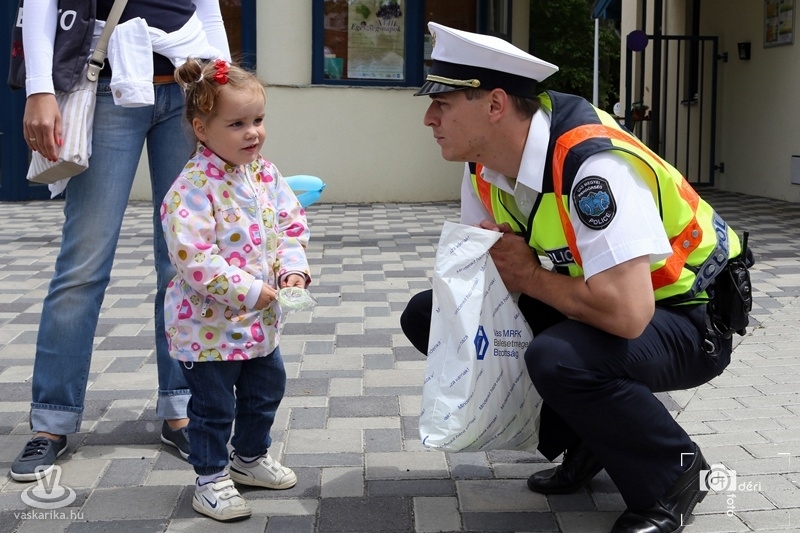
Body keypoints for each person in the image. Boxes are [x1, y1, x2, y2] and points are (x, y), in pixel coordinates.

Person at [401, 22, 751, 533]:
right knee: (431, 316)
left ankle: (674, 475)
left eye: (442, 104)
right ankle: (592, 441)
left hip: (689, 318)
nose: (429, 118)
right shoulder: (483, 165)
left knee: (559, 358)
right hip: (609, 304)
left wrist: (526, 274)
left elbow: (628, 316)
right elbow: (493, 285)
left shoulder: (592, 167)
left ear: (495, 104)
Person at [11, 0, 230, 482]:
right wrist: (39, 88)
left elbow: (207, 9)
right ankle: (52, 421)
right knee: (83, 265)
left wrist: (226, 84)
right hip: (106, 85)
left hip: (189, 87)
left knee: (184, 265)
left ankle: (182, 410)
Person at [161, 57, 310, 522]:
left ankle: (248, 458)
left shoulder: (264, 173)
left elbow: (290, 225)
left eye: (258, 120)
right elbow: (195, 259)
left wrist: (292, 270)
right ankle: (210, 479)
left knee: (266, 392)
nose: (253, 133)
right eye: (238, 124)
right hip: (206, 329)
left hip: (259, 325)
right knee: (213, 407)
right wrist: (249, 290)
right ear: (201, 129)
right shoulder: (191, 187)